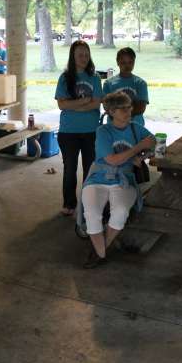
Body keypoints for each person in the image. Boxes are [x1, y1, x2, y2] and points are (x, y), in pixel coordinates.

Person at [82, 92, 155, 268]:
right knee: (91, 212)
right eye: (123, 108)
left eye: (129, 107)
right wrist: (138, 148)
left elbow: (154, 141)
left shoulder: (135, 128)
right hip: (98, 178)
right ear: (111, 111)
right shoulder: (103, 131)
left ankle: (100, 250)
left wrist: (144, 155)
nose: (128, 111)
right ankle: (100, 251)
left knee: (121, 211)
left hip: (124, 180)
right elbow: (112, 160)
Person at [55, 40, 103, 216]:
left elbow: (97, 103)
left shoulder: (95, 77)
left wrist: (73, 105)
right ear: (73, 57)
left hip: (91, 131)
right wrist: (84, 101)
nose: (84, 58)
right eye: (80, 55)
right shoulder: (65, 78)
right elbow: (61, 104)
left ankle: (89, 203)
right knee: (70, 169)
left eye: (86, 54)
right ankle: (69, 204)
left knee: (90, 169)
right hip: (68, 132)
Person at [103, 47, 149, 125]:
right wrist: (133, 105)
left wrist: (118, 110)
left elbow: (141, 108)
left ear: (134, 62)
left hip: (135, 127)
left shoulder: (141, 83)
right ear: (118, 62)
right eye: (123, 62)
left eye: (130, 62)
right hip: (114, 128)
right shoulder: (108, 83)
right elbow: (107, 107)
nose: (127, 66)